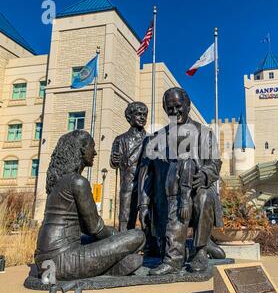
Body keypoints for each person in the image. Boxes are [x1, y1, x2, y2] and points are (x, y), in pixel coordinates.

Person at [35, 130, 145, 281]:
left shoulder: (57, 182)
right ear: (81, 150)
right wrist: (119, 237)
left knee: (131, 258)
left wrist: (113, 236)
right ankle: (111, 267)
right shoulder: (77, 182)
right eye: (92, 147)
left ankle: (113, 267)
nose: (94, 153)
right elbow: (96, 228)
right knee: (137, 236)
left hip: (45, 262)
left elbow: (86, 228)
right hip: (63, 262)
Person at [138, 87, 224, 276]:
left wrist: (204, 175)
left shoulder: (204, 133)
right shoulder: (156, 139)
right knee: (174, 202)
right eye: (170, 108)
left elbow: (214, 163)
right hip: (166, 196)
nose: (175, 111)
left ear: (188, 106)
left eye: (178, 106)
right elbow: (147, 175)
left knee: (203, 197)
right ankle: (178, 253)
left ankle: (200, 250)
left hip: (196, 190)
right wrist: (143, 204)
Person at [110, 102, 148, 232]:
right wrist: (114, 160)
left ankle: (149, 246)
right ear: (129, 117)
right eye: (138, 114)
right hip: (128, 184)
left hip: (147, 185)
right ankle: (124, 246)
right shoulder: (120, 140)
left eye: (144, 115)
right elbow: (115, 163)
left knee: (147, 218)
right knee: (126, 218)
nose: (142, 117)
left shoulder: (151, 139)